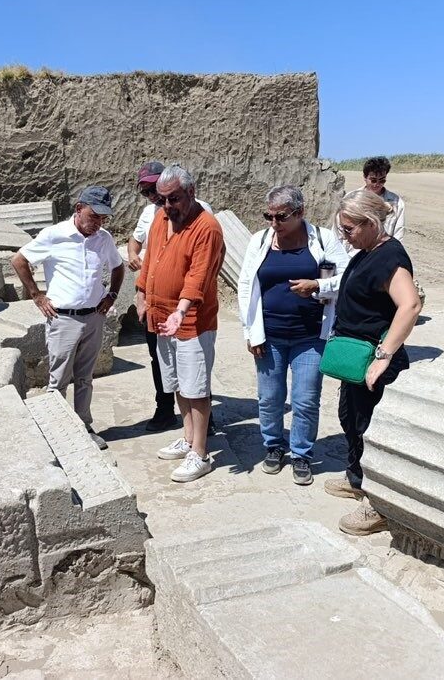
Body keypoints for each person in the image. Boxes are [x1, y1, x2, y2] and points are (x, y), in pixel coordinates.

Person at [324, 189, 421, 535]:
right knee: (350, 418)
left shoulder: (389, 256)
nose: (344, 236)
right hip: (356, 358)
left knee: (371, 429)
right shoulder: (367, 252)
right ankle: (357, 479)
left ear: (371, 223)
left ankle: (379, 506)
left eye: (349, 229)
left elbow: (410, 305)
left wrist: (383, 357)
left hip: (373, 360)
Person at [237, 186, 350, 485]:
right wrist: (251, 332)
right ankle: (273, 446)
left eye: (281, 217)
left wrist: (317, 285)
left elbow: (348, 276)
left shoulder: (323, 239)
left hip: (310, 336)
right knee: (270, 398)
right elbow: (246, 284)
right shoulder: (259, 240)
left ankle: (302, 453)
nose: (273, 223)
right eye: (268, 216)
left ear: (300, 213)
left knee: (306, 400)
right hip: (269, 336)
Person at [11, 186, 125, 442]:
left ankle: (84, 428)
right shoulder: (54, 235)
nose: (98, 223)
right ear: (78, 208)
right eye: (94, 216)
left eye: (103, 218)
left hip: (94, 316)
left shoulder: (104, 238)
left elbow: (118, 268)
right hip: (63, 318)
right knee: (59, 378)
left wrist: (112, 295)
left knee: (85, 377)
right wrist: (37, 296)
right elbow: (19, 260)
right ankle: (58, 432)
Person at [135, 165, 224, 482]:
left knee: (196, 386)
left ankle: (200, 453)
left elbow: (198, 277)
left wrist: (181, 310)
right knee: (176, 382)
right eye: (161, 199)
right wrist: (141, 292)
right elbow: (151, 260)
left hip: (191, 321)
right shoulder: (161, 217)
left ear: (191, 192)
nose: (167, 205)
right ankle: (187, 438)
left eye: (173, 199)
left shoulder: (207, 228)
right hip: (161, 316)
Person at [362, 156, 405, 241]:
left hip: (383, 250)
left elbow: (399, 233)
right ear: (365, 177)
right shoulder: (352, 199)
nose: (377, 184)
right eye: (373, 180)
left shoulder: (397, 202)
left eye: (382, 180)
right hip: (354, 252)